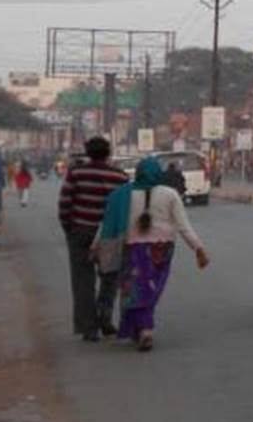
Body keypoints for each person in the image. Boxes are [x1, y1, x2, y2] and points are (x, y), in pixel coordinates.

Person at [96, 156, 208, 352]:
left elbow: (107, 223)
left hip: (133, 249)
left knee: (137, 290)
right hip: (162, 249)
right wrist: (198, 248)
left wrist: (95, 245)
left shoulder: (123, 195)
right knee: (151, 288)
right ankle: (145, 328)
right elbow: (184, 226)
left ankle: (143, 329)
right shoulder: (170, 194)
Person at [58, 137, 130, 342]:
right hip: (109, 235)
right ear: (108, 153)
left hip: (80, 231)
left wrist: (69, 228)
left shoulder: (77, 173)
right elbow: (125, 209)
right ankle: (104, 319)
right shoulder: (120, 176)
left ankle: (89, 329)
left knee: (82, 281)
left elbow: (65, 203)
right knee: (110, 279)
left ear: (88, 153)